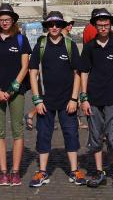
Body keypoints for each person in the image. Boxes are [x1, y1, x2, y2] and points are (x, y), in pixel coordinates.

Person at [28, 11, 86, 188]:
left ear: (62, 26)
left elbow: (77, 73)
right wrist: (37, 100)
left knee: (71, 134)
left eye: (57, 24)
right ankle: (43, 171)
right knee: (44, 135)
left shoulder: (70, 45)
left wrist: (74, 99)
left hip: (67, 100)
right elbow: (33, 72)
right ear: (47, 26)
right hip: (46, 100)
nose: (54, 27)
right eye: (51, 24)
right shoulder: (41, 45)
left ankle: (74, 170)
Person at [79, 9, 113, 189]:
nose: (103, 27)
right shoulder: (89, 46)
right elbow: (84, 72)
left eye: (106, 24)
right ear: (95, 26)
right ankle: (100, 171)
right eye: (100, 25)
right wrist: (83, 97)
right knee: (95, 136)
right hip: (93, 98)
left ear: (110, 25)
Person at [0, 4, 32, 187]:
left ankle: (16, 170)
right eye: (2, 20)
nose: (4, 22)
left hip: (16, 91)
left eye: (7, 19)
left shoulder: (21, 40)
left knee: (17, 130)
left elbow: (25, 67)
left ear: (13, 20)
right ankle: (4, 171)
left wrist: (12, 89)